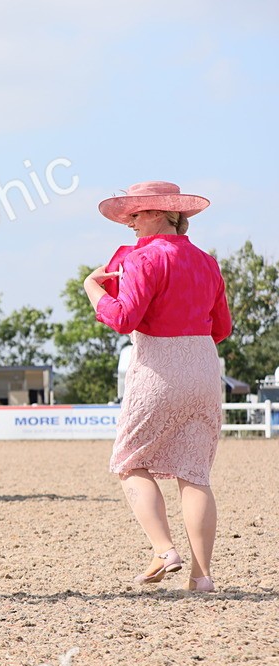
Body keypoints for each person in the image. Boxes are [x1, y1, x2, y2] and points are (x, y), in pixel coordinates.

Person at [85, 181, 231, 593]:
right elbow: (223, 327)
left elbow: (123, 318)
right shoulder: (207, 262)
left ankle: (164, 549)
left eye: (136, 213)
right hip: (203, 364)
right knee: (195, 473)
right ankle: (202, 577)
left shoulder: (142, 259)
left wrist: (92, 288)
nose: (130, 221)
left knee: (130, 461)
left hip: (159, 365)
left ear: (159, 213)